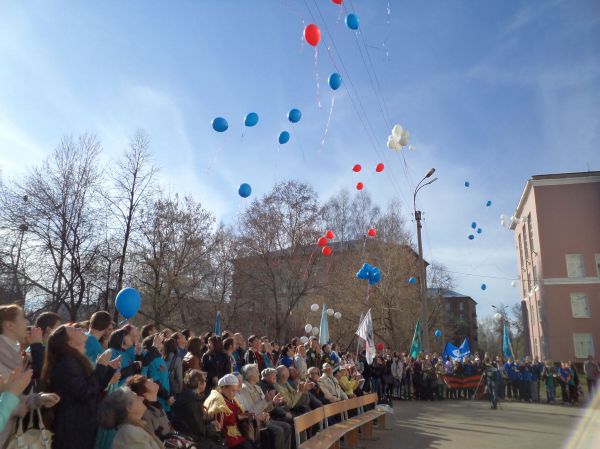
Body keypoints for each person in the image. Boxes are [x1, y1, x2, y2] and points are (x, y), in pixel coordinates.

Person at [42, 324, 119, 449]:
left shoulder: (75, 360)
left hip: (81, 425)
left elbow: (94, 388)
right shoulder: (67, 363)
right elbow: (86, 392)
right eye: (74, 330)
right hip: (72, 430)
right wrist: (101, 367)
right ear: (69, 342)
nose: (81, 329)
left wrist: (109, 369)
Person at [0, 305, 61, 446]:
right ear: (9, 325)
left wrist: (37, 399)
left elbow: (13, 397)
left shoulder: (15, 355)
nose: (27, 322)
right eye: (22, 318)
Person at [237, 364, 291, 449]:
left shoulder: (257, 388)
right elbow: (250, 411)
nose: (259, 374)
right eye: (257, 372)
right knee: (278, 431)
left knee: (287, 427)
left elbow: (266, 407)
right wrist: (266, 401)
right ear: (251, 375)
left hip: (265, 419)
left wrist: (273, 402)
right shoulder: (244, 389)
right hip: (256, 423)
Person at [171, 369, 223, 448]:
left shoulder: (186, 395)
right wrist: (214, 428)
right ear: (199, 384)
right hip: (192, 439)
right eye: (205, 381)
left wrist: (210, 421)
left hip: (188, 435)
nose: (206, 383)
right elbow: (199, 430)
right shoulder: (192, 401)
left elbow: (198, 418)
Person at [99, 387, 164, 449]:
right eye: (136, 397)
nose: (142, 398)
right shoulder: (130, 433)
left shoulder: (132, 429)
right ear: (128, 408)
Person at [204, 374, 253, 449]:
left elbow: (240, 412)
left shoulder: (230, 398)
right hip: (225, 437)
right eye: (233, 391)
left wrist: (249, 415)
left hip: (238, 433)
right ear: (223, 388)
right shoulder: (217, 400)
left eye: (236, 391)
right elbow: (224, 421)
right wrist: (239, 416)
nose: (234, 394)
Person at [126, 375, 173, 441]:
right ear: (143, 392)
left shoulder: (157, 406)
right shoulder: (144, 415)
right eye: (146, 381)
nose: (151, 379)